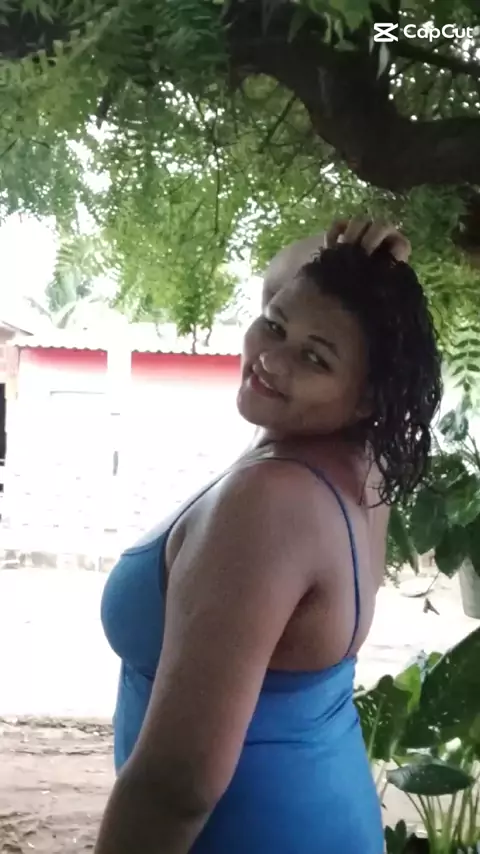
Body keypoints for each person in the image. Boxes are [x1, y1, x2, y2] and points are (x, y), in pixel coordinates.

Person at [96, 217, 442, 854]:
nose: (271, 360)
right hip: (323, 811)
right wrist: (352, 255)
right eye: (275, 326)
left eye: (315, 357)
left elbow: (177, 785)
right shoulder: (357, 464)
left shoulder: (271, 502)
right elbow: (286, 279)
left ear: (365, 396)